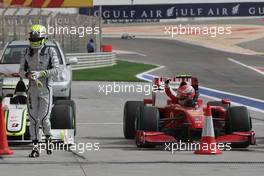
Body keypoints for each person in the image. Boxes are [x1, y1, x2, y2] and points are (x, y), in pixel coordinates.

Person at [19, 24, 60, 158]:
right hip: (31, 90)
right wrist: (27, 75)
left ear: (43, 38)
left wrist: (41, 73)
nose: (35, 42)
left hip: (45, 90)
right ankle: (35, 147)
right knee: (33, 119)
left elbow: (57, 70)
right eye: (33, 39)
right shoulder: (26, 52)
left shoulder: (50, 51)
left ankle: (48, 138)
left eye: (37, 39)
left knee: (44, 119)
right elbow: (20, 71)